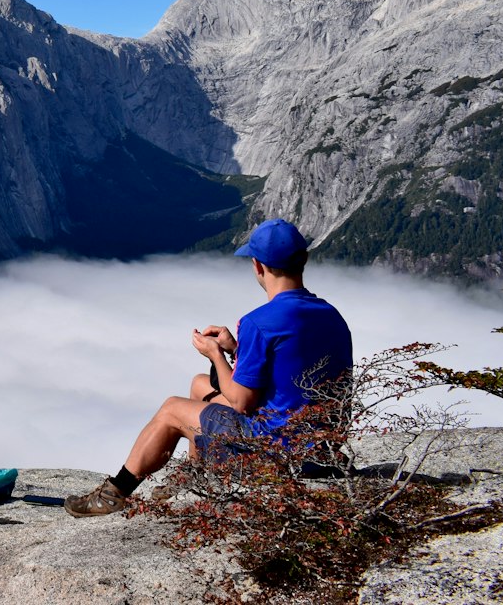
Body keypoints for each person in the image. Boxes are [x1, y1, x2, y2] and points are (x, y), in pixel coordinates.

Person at [64, 218, 353, 517]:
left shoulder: (261, 321)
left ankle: (114, 494)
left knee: (172, 409)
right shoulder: (332, 316)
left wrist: (216, 355)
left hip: (276, 453)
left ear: (258, 266)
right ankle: (196, 476)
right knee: (201, 384)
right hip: (318, 447)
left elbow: (242, 402)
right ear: (303, 260)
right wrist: (238, 351)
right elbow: (290, 368)